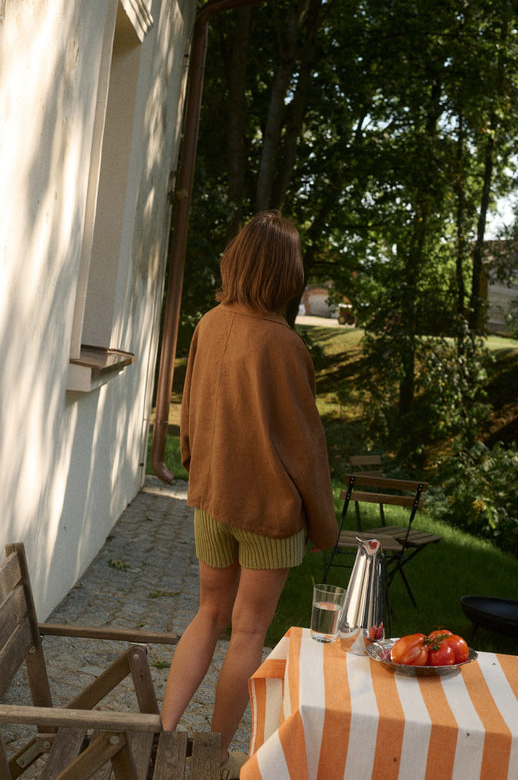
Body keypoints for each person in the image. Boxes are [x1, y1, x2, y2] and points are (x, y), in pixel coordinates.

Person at [160, 210, 338, 779]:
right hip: (268, 512)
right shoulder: (285, 346)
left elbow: (190, 410)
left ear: (236, 261)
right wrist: (325, 526)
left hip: (213, 498)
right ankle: (213, 757)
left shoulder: (209, 323)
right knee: (249, 630)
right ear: (287, 273)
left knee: (208, 613)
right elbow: (306, 449)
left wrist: (196, 468)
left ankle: (164, 734)